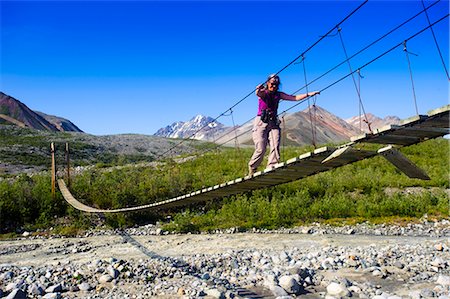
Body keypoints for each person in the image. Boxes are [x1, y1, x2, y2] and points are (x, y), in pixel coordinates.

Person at [248, 74, 320, 176]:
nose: (274, 86)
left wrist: (309, 94)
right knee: (261, 147)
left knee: (275, 144)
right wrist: (258, 89)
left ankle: (272, 167)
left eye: (277, 84)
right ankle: (253, 167)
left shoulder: (279, 95)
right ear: (268, 83)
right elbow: (258, 94)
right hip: (261, 122)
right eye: (272, 84)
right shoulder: (264, 93)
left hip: (273, 122)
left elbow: (294, 98)